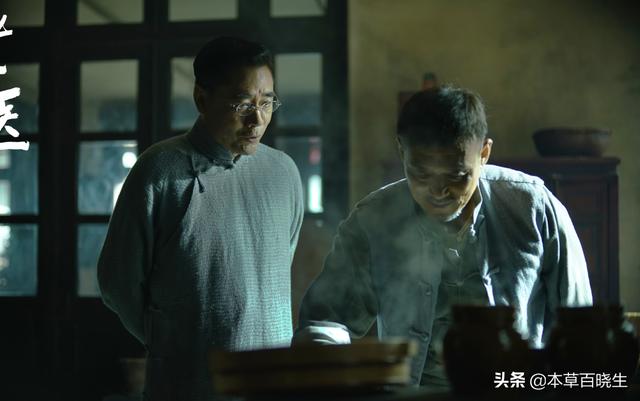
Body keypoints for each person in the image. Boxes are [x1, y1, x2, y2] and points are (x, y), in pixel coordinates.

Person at [295, 85, 592, 389]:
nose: (437, 192)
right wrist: (329, 365)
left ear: (484, 153)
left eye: (456, 176)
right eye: (421, 174)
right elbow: (325, 320)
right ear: (402, 151)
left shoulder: (533, 208)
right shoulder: (373, 221)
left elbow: (581, 325)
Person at [98, 36, 304, 400]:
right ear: (202, 99)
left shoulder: (283, 172)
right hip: (190, 383)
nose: (257, 119)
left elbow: (278, 263)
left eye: (267, 102)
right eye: (242, 104)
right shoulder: (160, 170)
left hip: (273, 381)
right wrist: (171, 340)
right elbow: (118, 281)